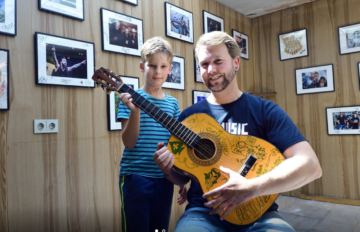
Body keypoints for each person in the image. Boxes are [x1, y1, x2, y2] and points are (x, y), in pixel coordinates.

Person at [153, 31, 322, 232]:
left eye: (218, 61)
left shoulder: (265, 111)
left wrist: (252, 188)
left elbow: (311, 166)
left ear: (236, 63)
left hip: (259, 213)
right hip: (203, 213)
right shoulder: (190, 119)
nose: (211, 70)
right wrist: (167, 169)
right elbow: (183, 177)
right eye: (204, 64)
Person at [116, 36, 187, 232]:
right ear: (142, 66)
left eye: (163, 66)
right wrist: (134, 110)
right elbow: (129, 143)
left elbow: (177, 145)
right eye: (152, 65)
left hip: (165, 177)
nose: (158, 71)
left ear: (170, 69)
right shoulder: (129, 99)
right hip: (136, 176)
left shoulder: (173, 104)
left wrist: (181, 176)